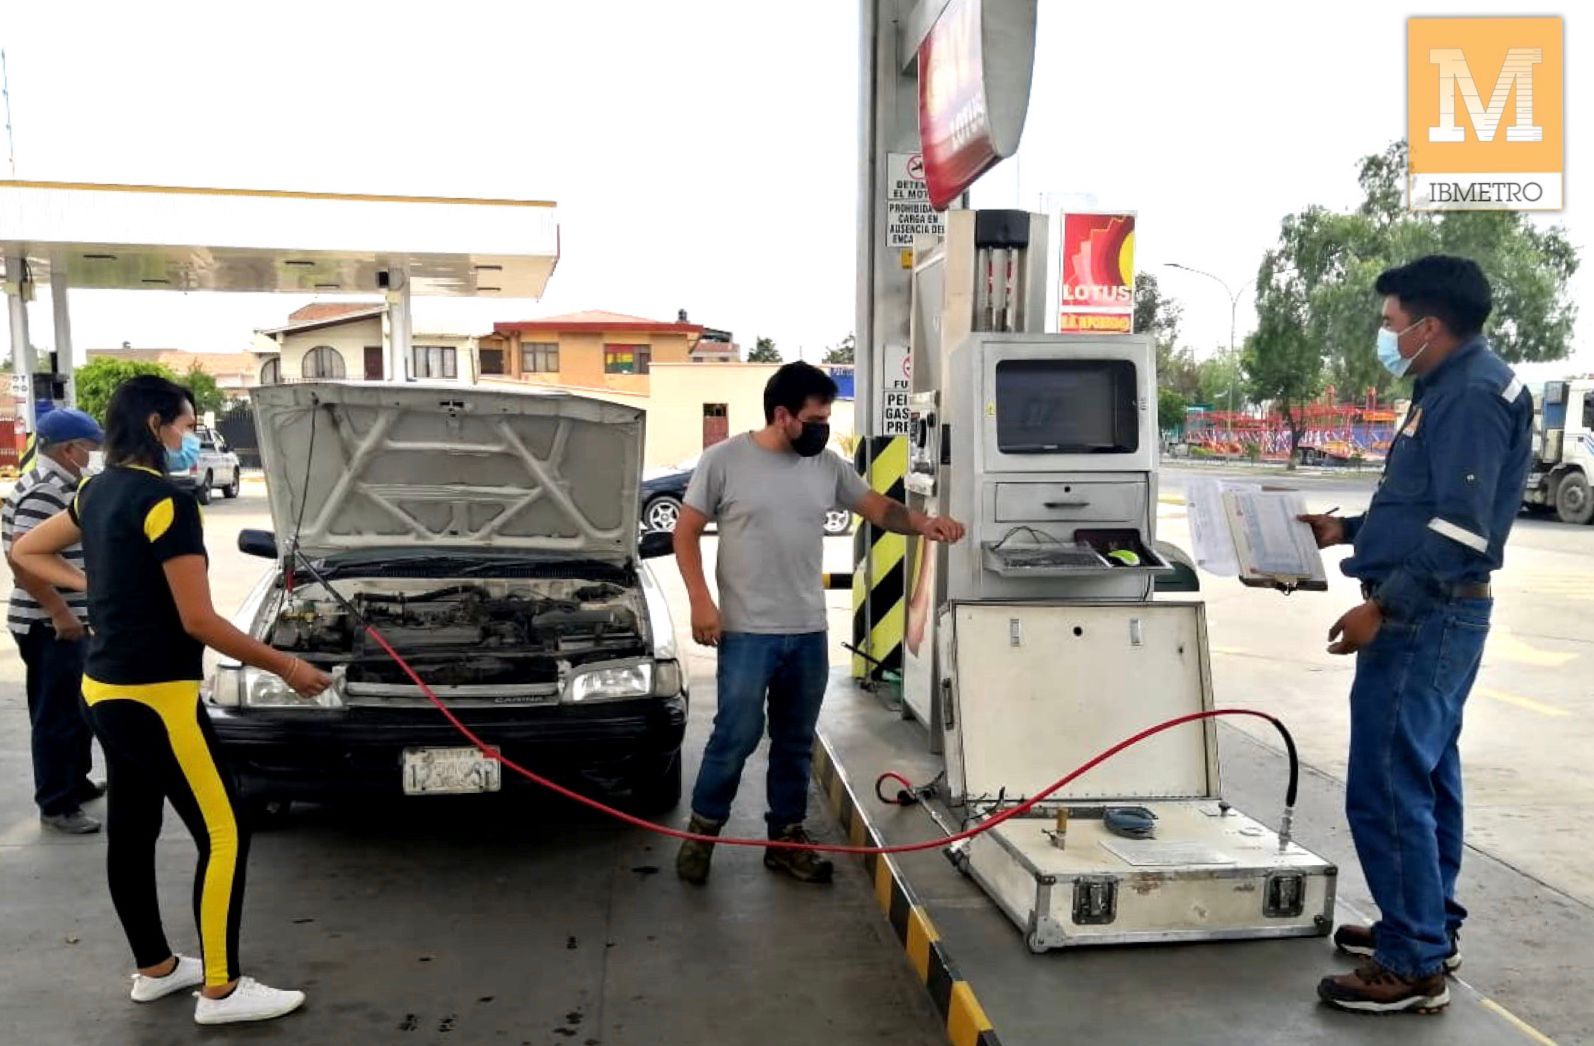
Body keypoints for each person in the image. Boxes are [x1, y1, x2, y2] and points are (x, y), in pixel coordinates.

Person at [13, 375, 333, 1026]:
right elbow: (200, 621)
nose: (191, 438)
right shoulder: (167, 502)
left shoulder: (94, 489)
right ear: (156, 425)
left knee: (133, 829)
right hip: (160, 698)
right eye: (186, 426)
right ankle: (221, 989)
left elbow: (25, 550)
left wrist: (95, 585)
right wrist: (289, 666)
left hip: (105, 689)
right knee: (224, 831)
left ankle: (156, 968)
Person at [1299, 256, 1532, 1015]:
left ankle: (1411, 964)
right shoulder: (1451, 385)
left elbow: (1462, 530)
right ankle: (1427, 925)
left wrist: (1384, 607)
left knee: (1389, 783)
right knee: (1427, 775)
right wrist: (1347, 530)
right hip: (1436, 608)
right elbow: (1422, 508)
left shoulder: (1468, 394)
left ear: (1429, 325)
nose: (1386, 334)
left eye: (1391, 321)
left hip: (1425, 615)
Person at [673, 361, 966, 885]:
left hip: (808, 632)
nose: (822, 429)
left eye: (827, 419)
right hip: (746, 632)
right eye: (814, 420)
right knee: (736, 735)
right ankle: (702, 834)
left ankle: (785, 839)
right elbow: (686, 531)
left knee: (794, 740)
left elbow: (879, 508)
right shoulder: (724, 461)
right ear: (782, 415)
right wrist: (700, 601)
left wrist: (924, 522)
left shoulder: (827, 466)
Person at [3, 408, 105, 833]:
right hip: (50, 624)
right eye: (90, 448)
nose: (94, 455)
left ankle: (75, 782)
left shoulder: (59, 484)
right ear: (69, 449)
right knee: (56, 715)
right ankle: (57, 803)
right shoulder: (46, 490)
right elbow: (22, 558)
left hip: (63, 620)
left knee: (76, 710)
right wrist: (60, 612)